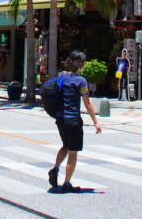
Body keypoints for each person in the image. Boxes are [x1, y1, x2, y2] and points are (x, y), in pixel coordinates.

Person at [48, 50, 102, 193]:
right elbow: (87, 104)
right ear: (80, 64)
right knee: (73, 151)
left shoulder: (61, 76)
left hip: (60, 118)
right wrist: (95, 121)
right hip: (73, 120)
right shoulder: (80, 81)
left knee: (65, 145)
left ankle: (55, 168)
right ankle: (67, 184)